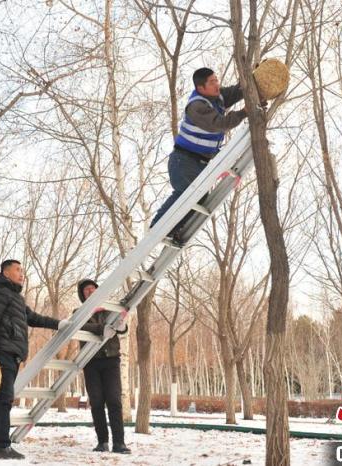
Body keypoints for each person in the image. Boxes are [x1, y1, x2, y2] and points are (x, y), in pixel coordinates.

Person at [0, 259, 69, 459]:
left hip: (13, 353)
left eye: (22, 270)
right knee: (4, 400)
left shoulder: (16, 298)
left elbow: (34, 318)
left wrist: (58, 324)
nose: (21, 273)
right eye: (17, 270)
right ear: (6, 272)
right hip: (3, 351)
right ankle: (2, 446)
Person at [150, 67, 248, 245]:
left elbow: (235, 92)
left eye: (216, 80)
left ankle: (173, 229)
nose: (217, 84)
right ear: (201, 88)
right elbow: (219, 124)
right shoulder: (197, 106)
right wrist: (244, 112)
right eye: (212, 82)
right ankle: (158, 227)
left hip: (199, 163)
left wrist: (255, 78)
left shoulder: (217, 97)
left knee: (198, 198)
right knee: (186, 194)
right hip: (184, 161)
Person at [75, 278, 131, 454]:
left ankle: (119, 443)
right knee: (97, 402)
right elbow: (84, 325)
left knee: (114, 401)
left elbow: (121, 328)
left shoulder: (109, 310)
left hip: (111, 360)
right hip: (91, 362)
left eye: (93, 289)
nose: (91, 292)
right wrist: (103, 328)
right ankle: (102, 442)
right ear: (82, 295)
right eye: (87, 290)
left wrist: (120, 324)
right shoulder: (79, 312)